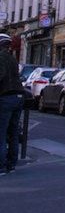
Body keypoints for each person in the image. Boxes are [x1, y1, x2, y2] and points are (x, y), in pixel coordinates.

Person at [0, 33, 24, 176]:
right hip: (18, 97)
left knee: (1, 132)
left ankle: (1, 166)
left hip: (6, 97)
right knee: (13, 132)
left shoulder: (1, 58)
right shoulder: (13, 59)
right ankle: (11, 164)